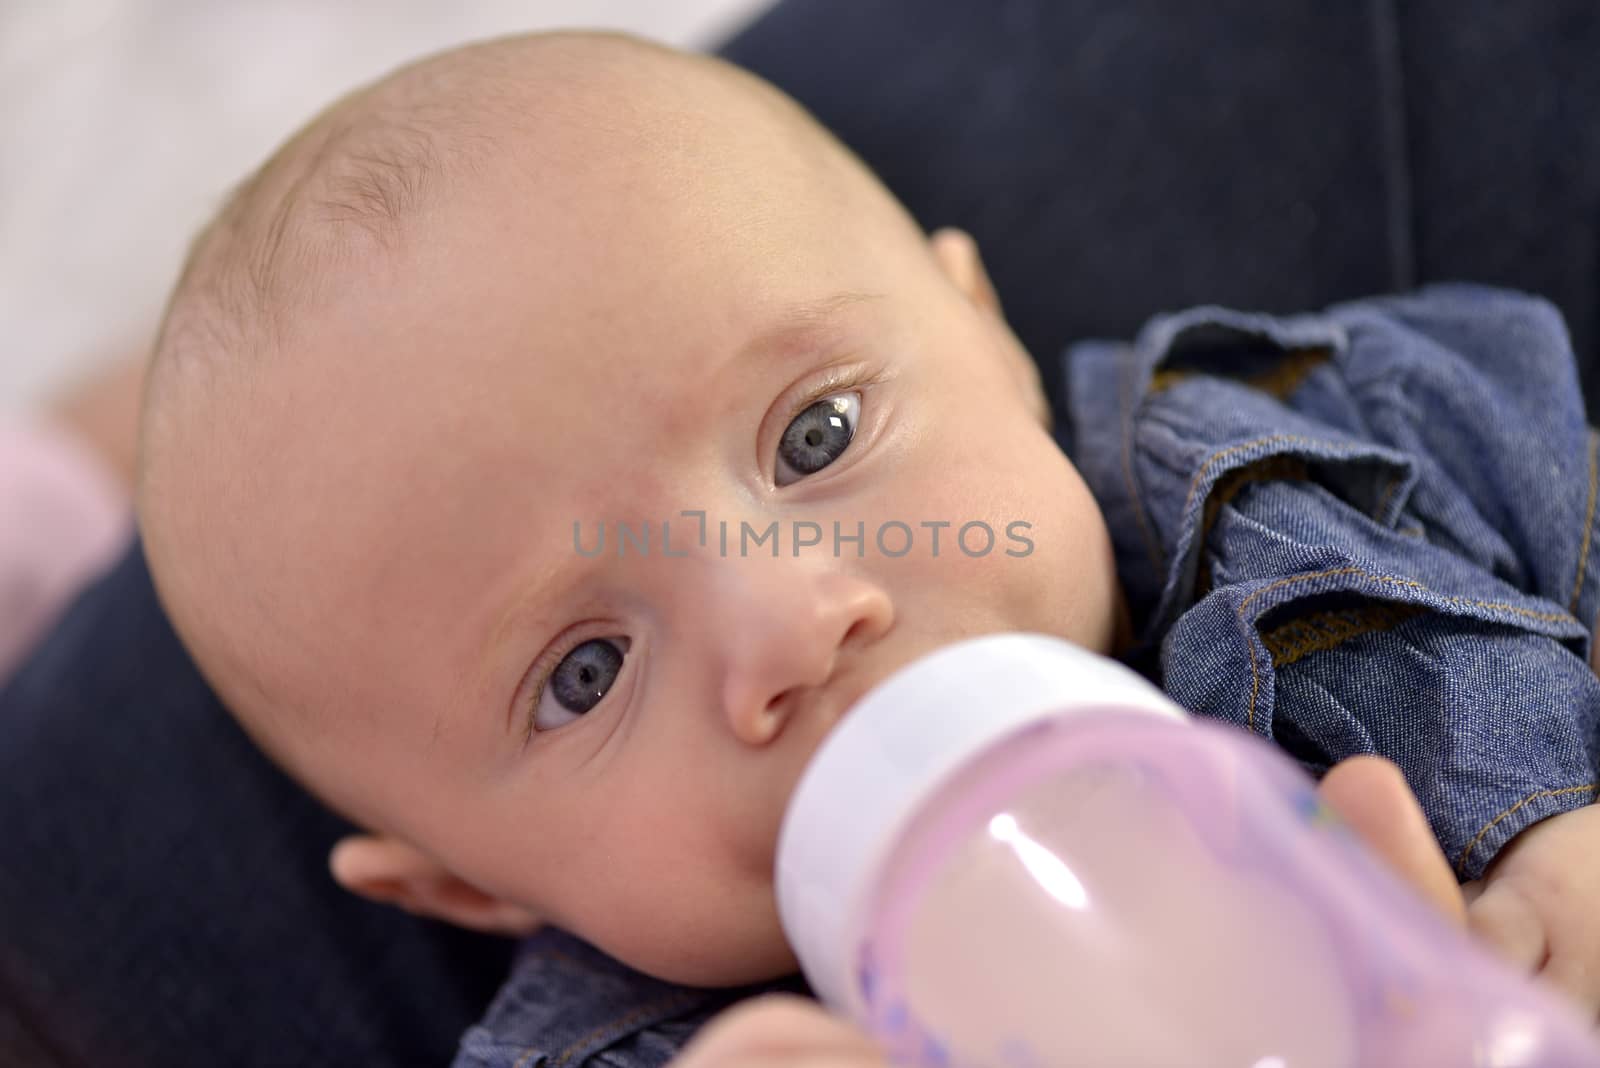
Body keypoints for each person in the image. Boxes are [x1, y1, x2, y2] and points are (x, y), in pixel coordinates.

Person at [128, 29, 1600, 1067]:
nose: (790, 624)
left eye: (816, 440)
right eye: (585, 671)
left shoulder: (1305, 454)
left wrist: (1559, 843)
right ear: (472, 888)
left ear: (987, 336)